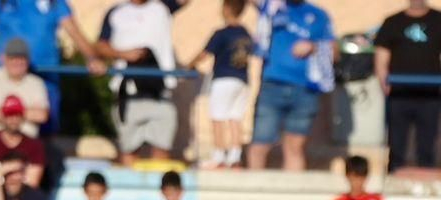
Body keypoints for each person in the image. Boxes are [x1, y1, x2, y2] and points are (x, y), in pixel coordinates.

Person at [0, 0, 104, 123]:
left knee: (45, 135)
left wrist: (93, 58)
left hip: (45, 79)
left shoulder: (55, 3)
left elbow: (75, 33)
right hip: (8, 81)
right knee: (2, 130)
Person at [250, 0, 336, 171]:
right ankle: (253, 193)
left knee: (294, 147)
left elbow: (334, 49)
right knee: (260, 143)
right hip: (272, 85)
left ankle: (291, 192)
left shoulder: (319, 15)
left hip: (305, 89)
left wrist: (313, 46)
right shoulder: (273, 6)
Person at [96, 0, 177, 166]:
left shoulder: (162, 7)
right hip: (128, 93)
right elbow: (100, 46)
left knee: (161, 148)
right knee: (129, 149)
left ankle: (159, 191)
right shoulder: (116, 12)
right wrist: (124, 54)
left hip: (160, 93)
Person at [376, 0, 441, 171]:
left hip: (431, 94)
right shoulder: (393, 22)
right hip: (399, 94)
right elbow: (381, 56)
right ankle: (393, 181)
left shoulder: (438, 19)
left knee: (427, 146)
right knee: (396, 145)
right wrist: (384, 82)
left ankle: (426, 188)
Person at [191, 0, 253, 169]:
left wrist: (190, 64)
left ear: (226, 9)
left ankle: (219, 156)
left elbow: (205, 53)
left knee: (218, 117)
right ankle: (235, 156)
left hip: (223, 79)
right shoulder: (246, 33)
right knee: (235, 118)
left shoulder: (222, 34)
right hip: (242, 80)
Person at [0, 38, 49, 138]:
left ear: (28, 60)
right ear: (3, 58)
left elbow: (41, 116)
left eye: (21, 58)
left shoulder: (36, 83)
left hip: (26, 142)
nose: (17, 62)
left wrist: (4, 112)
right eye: (12, 58)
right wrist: (24, 113)